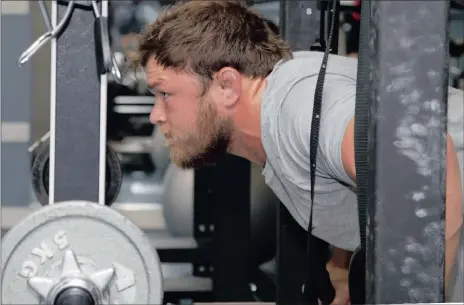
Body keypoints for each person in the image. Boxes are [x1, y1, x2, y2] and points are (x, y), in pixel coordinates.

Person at [134, 1, 464, 303]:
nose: (156, 114)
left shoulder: (296, 111)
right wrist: (342, 262)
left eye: (165, 93)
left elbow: (418, 154)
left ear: (227, 86)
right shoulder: (284, 111)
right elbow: (350, 176)